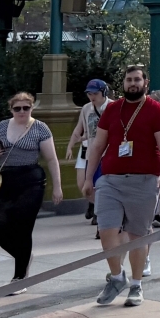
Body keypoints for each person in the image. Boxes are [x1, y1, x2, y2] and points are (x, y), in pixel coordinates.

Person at [81, 65, 160, 306]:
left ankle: (136, 284)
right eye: (128, 80)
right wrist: (89, 178)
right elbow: (98, 145)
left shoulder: (156, 110)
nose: (132, 84)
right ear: (123, 83)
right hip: (110, 179)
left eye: (137, 80)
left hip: (144, 180)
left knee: (137, 235)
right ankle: (117, 277)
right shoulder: (112, 109)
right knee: (106, 230)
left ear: (145, 83)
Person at [0, 92, 64, 286]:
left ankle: (19, 278)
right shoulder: (1, 126)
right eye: (17, 108)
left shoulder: (40, 128)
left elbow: (51, 159)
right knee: (1, 231)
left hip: (31, 181)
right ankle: (24, 256)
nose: (22, 112)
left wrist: (57, 187)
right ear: (11, 109)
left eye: (26, 108)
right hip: (6, 180)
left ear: (31, 108)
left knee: (23, 228)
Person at [67, 77, 110, 224]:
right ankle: (96, 207)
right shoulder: (86, 109)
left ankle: (100, 213)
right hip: (91, 152)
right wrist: (70, 145)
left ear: (104, 92)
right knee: (87, 185)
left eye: (95, 93)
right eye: (89, 94)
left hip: (108, 153)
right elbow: (80, 129)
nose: (92, 97)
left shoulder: (113, 106)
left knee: (104, 185)